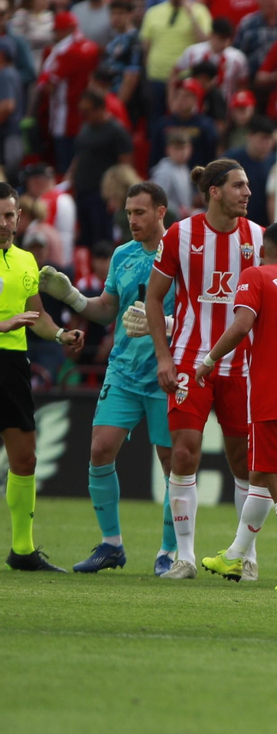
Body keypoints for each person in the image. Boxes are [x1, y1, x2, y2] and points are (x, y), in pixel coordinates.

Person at [42, 183, 179, 574]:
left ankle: (169, 552)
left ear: (160, 212)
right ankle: (111, 544)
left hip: (165, 371)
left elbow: (199, 319)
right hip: (123, 370)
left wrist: (164, 325)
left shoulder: (182, 256)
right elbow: (107, 311)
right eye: (128, 212)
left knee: (172, 463)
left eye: (139, 212)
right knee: (100, 449)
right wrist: (73, 298)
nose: (131, 220)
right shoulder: (122, 255)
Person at [145, 161, 263, 579]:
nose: (247, 192)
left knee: (244, 462)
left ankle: (245, 553)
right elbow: (154, 298)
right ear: (214, 191)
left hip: (242, 368)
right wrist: (163, 357)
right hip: (191, 361)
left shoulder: (257, 238)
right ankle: (186, 557)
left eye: (248, 185)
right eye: (238, 185)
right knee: (184, 453)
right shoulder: (181, 234)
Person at [193, 222, 277, 591]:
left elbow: (240, 326)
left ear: (259, 250)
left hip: (274, 394)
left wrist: (208, 360)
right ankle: (235, 554)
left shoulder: (256, 276)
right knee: (260, 478)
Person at [0, 182, 86, 573]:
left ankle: (22, 550)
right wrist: (3, 324)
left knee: (25, 458)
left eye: (9, 215)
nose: (4, 223)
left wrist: (59, 335)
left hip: (12, 365)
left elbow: (37, 316)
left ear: (19, 217)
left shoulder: (25, 261)